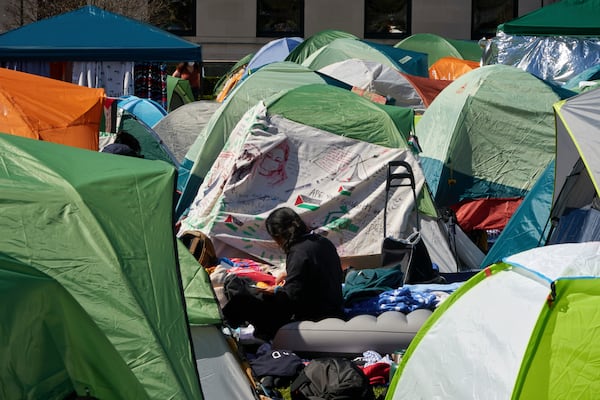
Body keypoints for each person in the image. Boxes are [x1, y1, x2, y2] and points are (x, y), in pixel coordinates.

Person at [222, 207, 344, 340]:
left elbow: (291, 299)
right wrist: (286, 276)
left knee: (242, 300)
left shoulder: (298, 252)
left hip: (311, 317)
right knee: (243, 283)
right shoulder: (322, 241)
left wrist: (275, 290)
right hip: (334, 308)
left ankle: (224, 332)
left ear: (278, 236)